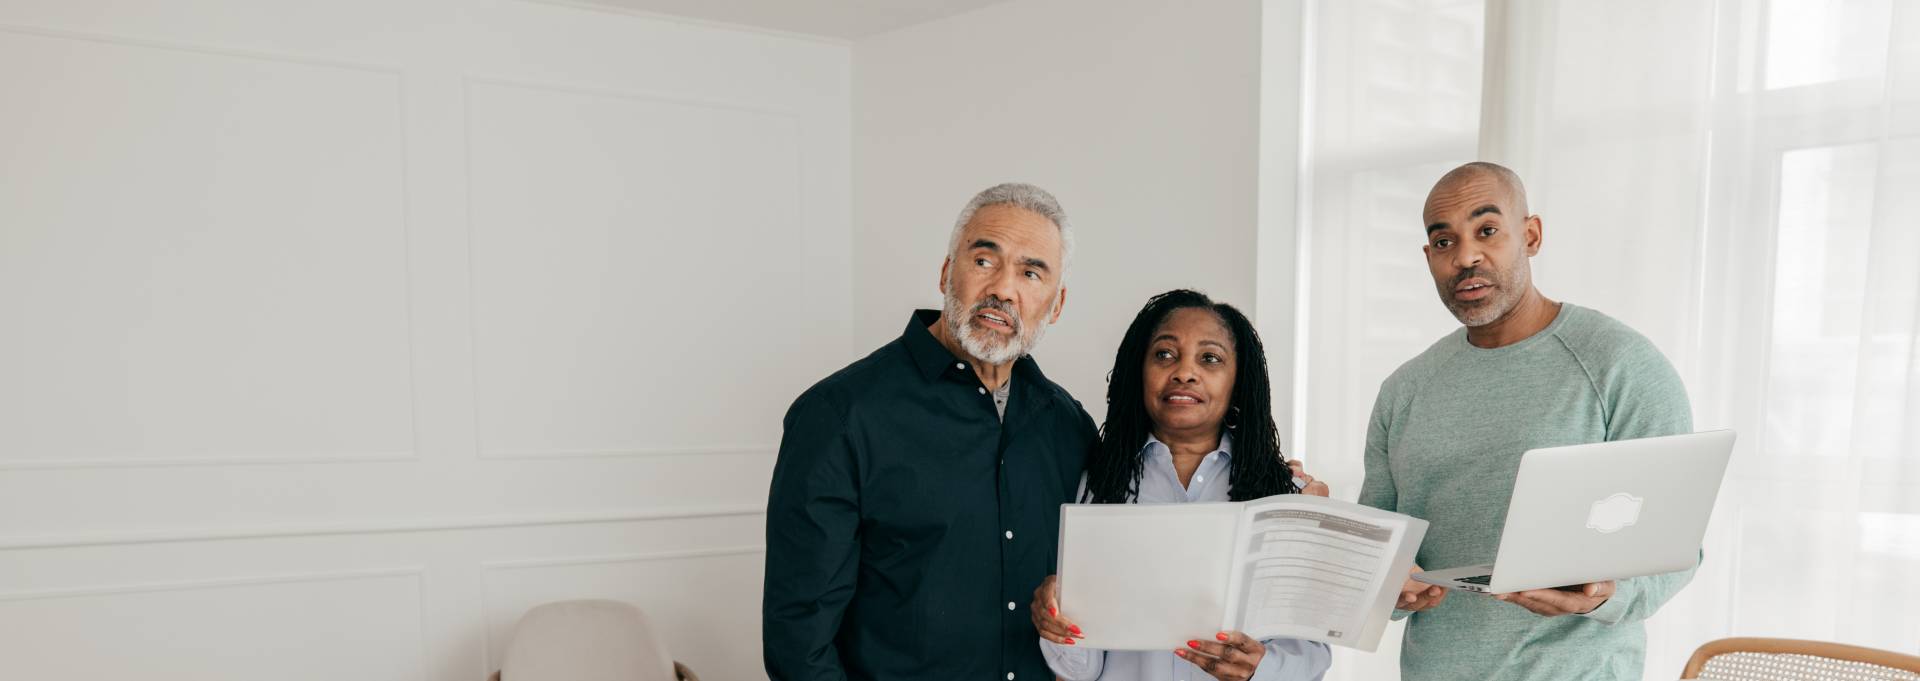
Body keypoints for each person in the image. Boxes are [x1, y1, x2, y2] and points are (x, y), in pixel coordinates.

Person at [1360, 162, 1696, 680]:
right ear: (1429, 259)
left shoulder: (1622, 366)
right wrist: (1389, 584)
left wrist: (1601, 595)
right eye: (1444, 242)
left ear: (1531, 235)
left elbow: (1676, 549)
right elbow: (1377, 556)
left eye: (1487, 231)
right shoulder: (1404, 391)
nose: (1466, 257)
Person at [761, 183, 1098, 680]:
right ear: (946, 272)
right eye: (985, 260)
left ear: (1056, 303)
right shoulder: (838, 416)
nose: (1004, 289)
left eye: (1030, 272)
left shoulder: (1069, 427)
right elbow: (799, 642)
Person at [1028, 289, 1334, 681]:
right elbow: (1082, 670)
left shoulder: (1286, 494)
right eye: (1164, 354)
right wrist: (1057, 625)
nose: (1184, 372)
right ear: (1138, 371)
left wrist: (1264, 668)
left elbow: (1312, 653)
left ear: (1239, 381)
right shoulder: (1098, 487)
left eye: (1210, 358)